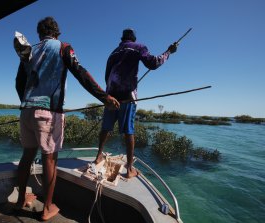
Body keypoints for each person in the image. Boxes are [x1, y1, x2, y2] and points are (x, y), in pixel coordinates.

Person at [14, 16, 120, 221]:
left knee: (27, 156)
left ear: (40, 33)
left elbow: (19, 82)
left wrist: (27, 102)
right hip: (49, 112)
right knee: (50, 160)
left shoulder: (28, 52)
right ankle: (47, 207)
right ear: (56, 32)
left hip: (26, 111)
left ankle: (19, 201)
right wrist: (104, 97)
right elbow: (80, 72)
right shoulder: (63, 47)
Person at [94, 28, 177, 178]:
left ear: (122, 39)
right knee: (128, 131)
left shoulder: (113, 53)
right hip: (128, 96)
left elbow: (107, 76)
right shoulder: (139, 47)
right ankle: (129, 169)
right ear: (134, 38)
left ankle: (98, 156)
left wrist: (111, 94)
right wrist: (168, 52)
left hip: (111, 97)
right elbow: (153, 63)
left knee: (105, 128)